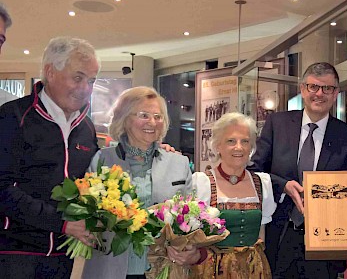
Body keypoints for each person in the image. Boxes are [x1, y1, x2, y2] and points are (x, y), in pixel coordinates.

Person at [250, 62, 347, 278]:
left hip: (327, 244)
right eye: (313, 87)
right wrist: (283, 185)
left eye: (327, 88)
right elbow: (255, 171)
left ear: (335, 93)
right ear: (303, 88)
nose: (319, 94)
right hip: (280, 237)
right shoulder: (277, 124)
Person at [0, 36, 100, 278]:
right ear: (50, 72)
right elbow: (2, 188)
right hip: (15, 255)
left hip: (67, 258)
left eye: (91, 80)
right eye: (78, 77)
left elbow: (96, 183)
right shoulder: (12, 117)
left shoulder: (86, 127)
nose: (85, 88)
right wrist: (62, 223)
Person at [82, 86, 196, 279]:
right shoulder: (102, 160)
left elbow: (191, 219)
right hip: (110, 269)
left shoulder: (179, 163)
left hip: (162, 269)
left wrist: (189, 249)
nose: (152, 122)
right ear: (125, 119)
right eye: (144, 115)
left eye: (158, 116)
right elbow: (87, 215)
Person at [190, 112, 276, 278]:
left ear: (251, 147)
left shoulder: (261, 183)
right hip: (214, 270)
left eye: (245, 141)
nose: (239, 147)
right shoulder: (203, 182)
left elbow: (261, 234)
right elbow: (193, 237)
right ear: (217, 146)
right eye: (231, 141)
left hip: (254, 269)